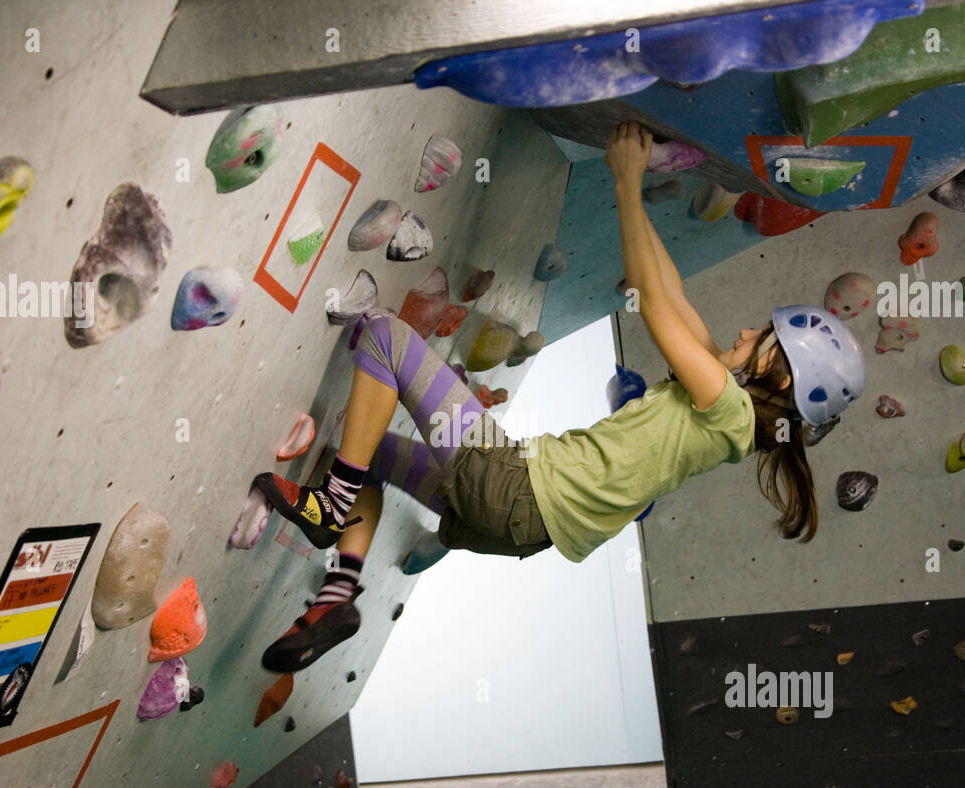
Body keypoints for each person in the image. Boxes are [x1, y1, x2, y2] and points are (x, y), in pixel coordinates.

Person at [252, 121, 865, 672]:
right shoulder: (723, 414)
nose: (745, 331)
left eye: (762, 335)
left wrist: (625, 183)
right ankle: (339, 597)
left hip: (512, 485)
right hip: (510, 529)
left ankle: (330, 509)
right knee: (365, 455)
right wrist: (635, 171)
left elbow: (651, 305)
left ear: (779, 377)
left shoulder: (725, 407)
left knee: (384, 336)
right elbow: (669, 288)